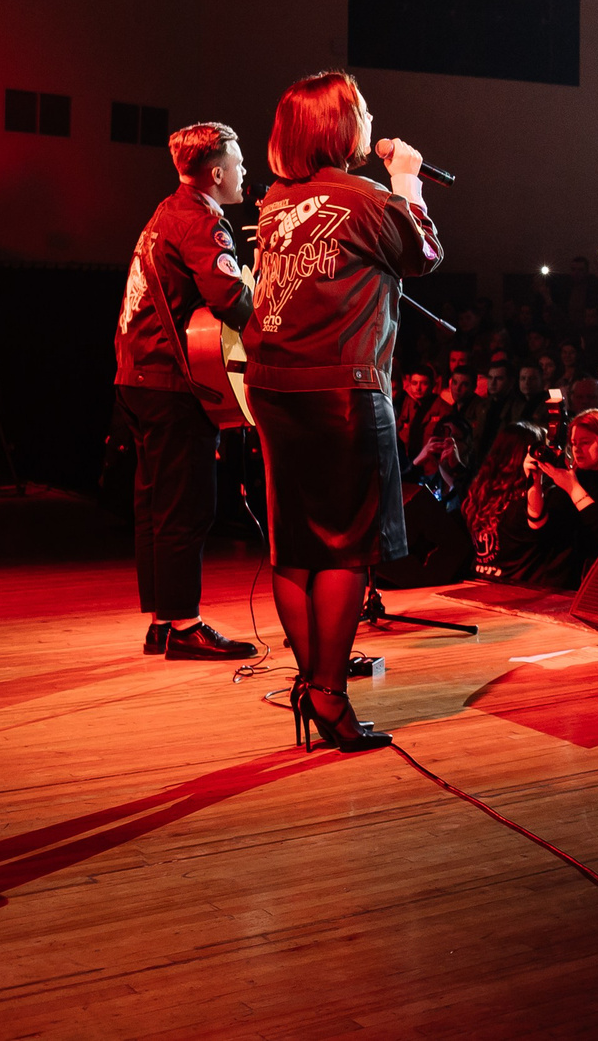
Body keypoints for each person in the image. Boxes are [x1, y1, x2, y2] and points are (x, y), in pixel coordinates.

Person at [243, 71, 442, 753]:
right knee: (347, 545)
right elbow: (423, 255)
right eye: (362, 111)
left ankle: (312, 681)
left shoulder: (275, 201)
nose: (370, 117)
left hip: (274, 385)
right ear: (340, 127)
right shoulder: (364, 199)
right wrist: (408, 180)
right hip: (340, 389)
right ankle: (329, 692)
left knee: (294, 543)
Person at [109, 122, 260, 661]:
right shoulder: (200, 220)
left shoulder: (163, 212)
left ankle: (161, 620)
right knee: (184, 506)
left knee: (153, 505)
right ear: (216, 173)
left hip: (135, 376)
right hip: (170, 382)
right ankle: (183, 624)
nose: (245, 173)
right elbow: (231, 302)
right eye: (239, 165)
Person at [487, 409, 598, 588]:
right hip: (570, 582)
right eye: (573, 443)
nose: (577, 449)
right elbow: (541, 530)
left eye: (585, 443)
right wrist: (534, 482)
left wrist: (574, 489)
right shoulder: (577, 475)